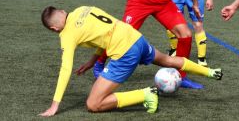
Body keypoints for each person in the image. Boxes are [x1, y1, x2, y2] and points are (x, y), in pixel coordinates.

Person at [39, 6, 223, 117]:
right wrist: (92, 60)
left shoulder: (66, 34)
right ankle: (210, 72)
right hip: (136, 38)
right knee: (167, 59)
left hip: (125, 52)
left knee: (93, 104)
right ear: (62, 11)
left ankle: (146, 94)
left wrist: (55, 104)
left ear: (55, 28)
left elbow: (65, 69)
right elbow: (104, 32)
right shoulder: (82, 9)